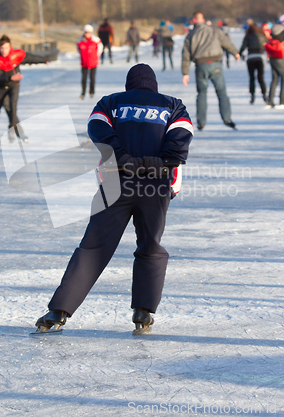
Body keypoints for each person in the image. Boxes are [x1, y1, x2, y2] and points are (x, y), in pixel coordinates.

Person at [34, 63, 193, 334]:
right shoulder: (173, 105)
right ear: (153, 84)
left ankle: (58, 311)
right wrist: (160, 161)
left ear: (129, 84)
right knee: (150, 246)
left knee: (94, 247)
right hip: (155, 185)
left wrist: (123, 158)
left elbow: (97, 129)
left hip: (115, 182)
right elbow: (180, 137)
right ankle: (143, 313)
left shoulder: (110, 102)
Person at [0, 35, 48, 144]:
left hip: (14, 86)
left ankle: (18, 133)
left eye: (6, 48)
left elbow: (30, 58)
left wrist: (44, 60)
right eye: (2, 48)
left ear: (10, 47)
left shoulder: (16, 54)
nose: (4, 51)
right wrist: (10, 77)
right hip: (1, 86)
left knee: (13, 109)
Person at [182, 11, 240, 130]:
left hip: (201, 65)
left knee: (202, 94)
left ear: (193, 20)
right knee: (222, 92)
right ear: (203, 19)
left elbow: (186, 55)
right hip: (216, 64)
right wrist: (235, 53)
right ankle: (227, 118)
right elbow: (226, 42)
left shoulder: (191, 34)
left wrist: (185, 73)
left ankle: (201, 122)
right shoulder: (215, 30)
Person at [265, 14, 284, 107]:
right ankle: (282, 100)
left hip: (273, 57)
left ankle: (270, 101)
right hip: (282, 57)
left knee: (274, 79)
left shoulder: (273, 29)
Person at [239, 23, 268, 104]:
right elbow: (266, 45)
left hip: (250, 58)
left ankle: (252, 96)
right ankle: (264, 95)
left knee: (252, 78)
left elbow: (243, 46)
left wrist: (240, 54)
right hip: (259, 58)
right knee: (261, 78)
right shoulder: (262, 35)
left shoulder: (248, 36)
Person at [77, 24, 103, 100]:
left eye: (88, 32)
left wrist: (95, 57)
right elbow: (78, 49)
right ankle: (83, 92)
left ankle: (92, 92)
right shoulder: (80, 41)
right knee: (84, 79)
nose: (87, 34)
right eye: (85, 32)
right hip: (84, 63)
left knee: (92, 78)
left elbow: (100, 49)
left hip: (93, 62)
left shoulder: (96, 40)